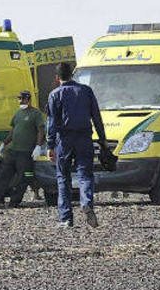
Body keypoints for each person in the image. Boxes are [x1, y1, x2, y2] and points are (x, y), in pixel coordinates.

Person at [47, 63, 109, 228]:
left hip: (64, 140)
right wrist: (103, 140)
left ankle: (66, 218)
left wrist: (50, 145)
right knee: (85, 175)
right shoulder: (86, 91)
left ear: (57, 78)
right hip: (84, 138)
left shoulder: (54, 94)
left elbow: (52, 122)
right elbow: (96, 117)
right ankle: (86, 202)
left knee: (63, 177)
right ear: (72, 75)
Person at [0, 90, 46, 208]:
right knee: (3, 174)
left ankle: (14, 202)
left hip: (26, 153)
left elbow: (41, 130)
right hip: (13, 151)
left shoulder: (36, 114)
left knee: (24, 177)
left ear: (28, 99)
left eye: (23, 99)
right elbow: (13, 131)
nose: (20, 101)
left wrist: (38, 146)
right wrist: (4, 144)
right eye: (19, 99)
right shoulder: (18, 113)